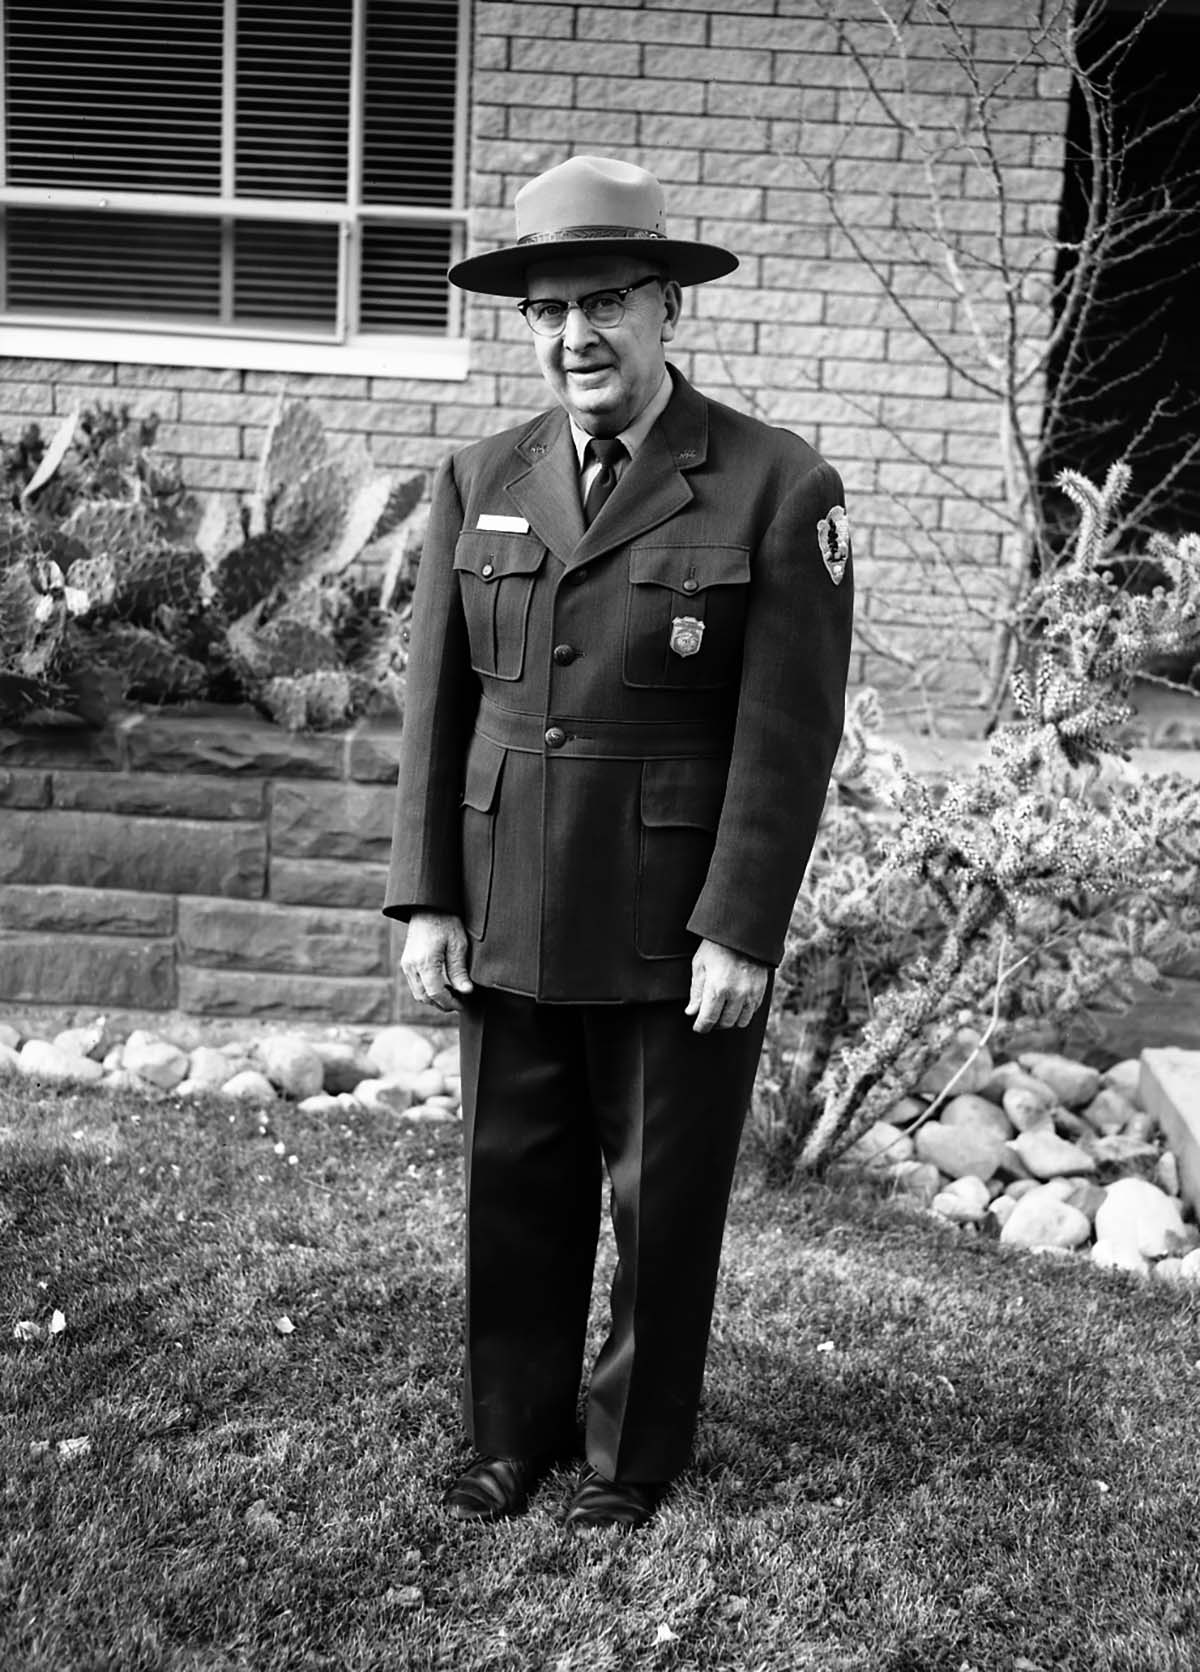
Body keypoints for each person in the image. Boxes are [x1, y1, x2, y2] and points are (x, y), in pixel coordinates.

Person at [384, 155, 853, 1532]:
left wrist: (740, 927)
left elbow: (788, 733)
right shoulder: (480, 477)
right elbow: (438, 709)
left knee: (663, 1206)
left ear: (665, 308)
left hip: (669, 921)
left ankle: (630, 1456)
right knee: (514, 1186)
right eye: (547, 310)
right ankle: (510, 1435)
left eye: (603, 303)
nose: (574, 336)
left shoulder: (776, 485)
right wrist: (427, 899)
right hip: (507, 900)